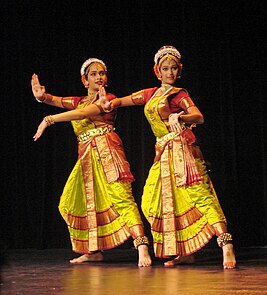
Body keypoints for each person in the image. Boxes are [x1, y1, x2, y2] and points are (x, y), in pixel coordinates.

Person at [99, 46, 236, 269]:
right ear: (157, 71)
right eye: (165, 68)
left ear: (179, 71)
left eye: (174, 68)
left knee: (200, 196)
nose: (170, 72)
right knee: (152, 201)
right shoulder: (150, 94)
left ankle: (226, 244)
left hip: (183, 152)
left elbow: (198, 117)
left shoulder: (179, 94)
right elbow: (123, 101)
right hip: (162, 153)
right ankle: (184, 252)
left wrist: (180, 117)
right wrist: (109, 103)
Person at [31, 58, 151, 267]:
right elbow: (57, 100)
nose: (99, 77)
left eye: (102, 73)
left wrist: (49, 119)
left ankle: (141, 247)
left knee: (122, 197)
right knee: (72, 202)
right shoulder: (79, 100)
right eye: (94, 74)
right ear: (84, 80)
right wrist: (42, 97)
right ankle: (92, 250)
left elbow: (84, 114)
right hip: (86, 158)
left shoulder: (108, 99)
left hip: (107, 151)